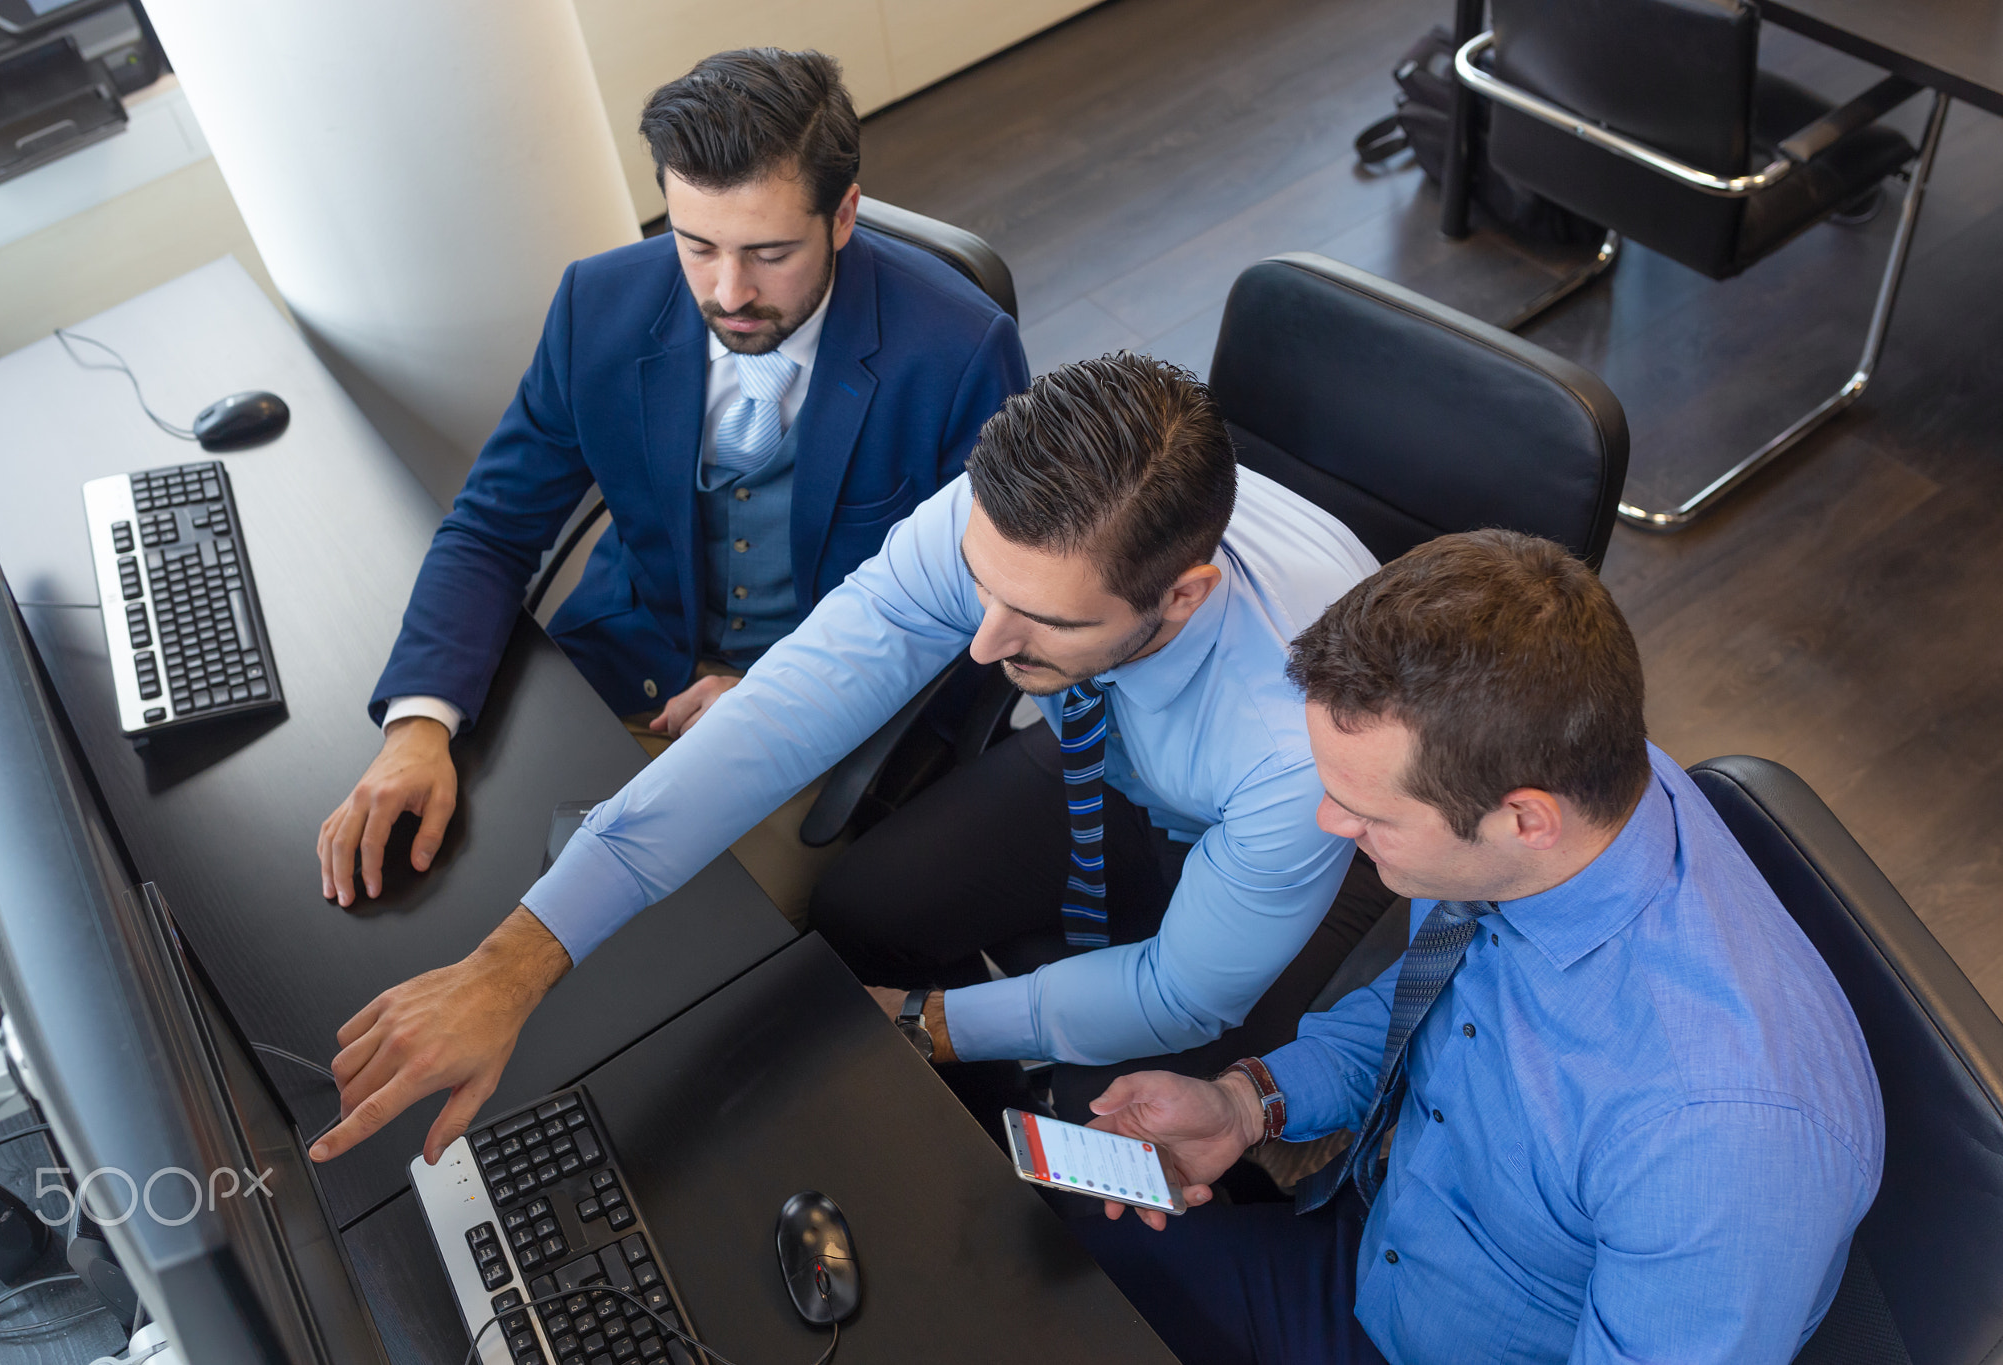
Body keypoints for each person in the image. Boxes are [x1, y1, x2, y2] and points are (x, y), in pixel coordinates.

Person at [305, 353, 1386, 1167]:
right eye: (982, 584)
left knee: (1095, 1137)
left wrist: (928, 1025)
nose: (982, 644)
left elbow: (1180, 994)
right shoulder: (1004, 524)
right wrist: (514, 962)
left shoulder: (1299, 747)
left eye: (1039, 619)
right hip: (1108, 754)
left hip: (1285, 841)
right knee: (859, 910)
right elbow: (773, 721)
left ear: (1180, 595)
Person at [1071, 529, 1885, 1365]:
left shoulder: (1716, 1140)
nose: (1330, 823)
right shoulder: (1561, 780)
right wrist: (1250, 1102)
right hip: (1380, 1256)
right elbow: (1427, 1006)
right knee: (1052, 1246)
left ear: (1526, 818)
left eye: (1371, 814)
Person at [316, 48, 1028, 918]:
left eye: (769, 252)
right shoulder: (598, 305)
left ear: (843, 216)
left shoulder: (957, 353)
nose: (729, 292)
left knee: (672, 956)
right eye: (698, 246)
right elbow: (491, 528)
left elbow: (980, 607)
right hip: (615, 676)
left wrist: (778, 694)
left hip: (822, 725)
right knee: (449, 889)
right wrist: (418, 724)